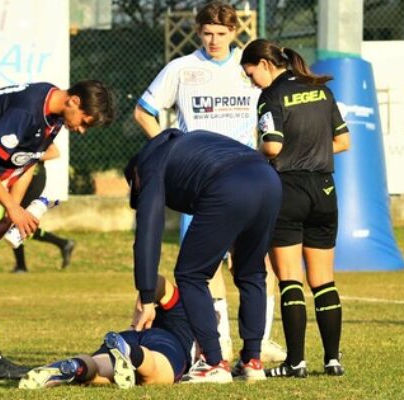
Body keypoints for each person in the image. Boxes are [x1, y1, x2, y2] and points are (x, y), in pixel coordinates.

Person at [0, 80, 115, 379]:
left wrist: (8, 216)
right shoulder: (29, 109)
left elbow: (26, 163)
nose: (80, 130)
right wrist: (14, 209)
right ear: (74, 102)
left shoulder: (53, 119)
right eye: (84, 123)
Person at [133, 1, 285, 363]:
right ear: (198, 32)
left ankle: (259, 342)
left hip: (247, 175)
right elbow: (144, 111)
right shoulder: (182, 69)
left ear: (235, 33)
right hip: (201, 184)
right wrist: (165, 151)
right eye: (207, 33)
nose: (214, 40)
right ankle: (219, 341)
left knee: (256, 266)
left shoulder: (247, 68)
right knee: (206, 268)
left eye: (221, 33)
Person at [125, 129, 282, 383]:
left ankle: (213, 362)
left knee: (190, 274)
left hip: (229, 184)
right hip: (269, 179)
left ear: (135, 177)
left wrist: (146, 296)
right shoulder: (189, 144)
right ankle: (252, 362)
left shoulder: (149, 164)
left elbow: (148, 231)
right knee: (251, 272)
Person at [240, 38, 351, 377]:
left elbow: (272, 146)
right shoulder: (320, 90)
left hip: (288, 190)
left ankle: (296, 362)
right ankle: (332, 360)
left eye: (250, 73)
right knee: (323, 281)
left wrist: (250, 155)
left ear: (264, 64)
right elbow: (343, 142)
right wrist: (311, 152)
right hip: (325, 190)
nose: (251, 81)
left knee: (290, 279)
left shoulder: (271, 95)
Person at [19, 275, 195, 389]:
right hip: (166, 343)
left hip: (127, 336)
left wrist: (136, 322)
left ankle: (77, 366)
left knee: (102, 371)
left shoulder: (186, 300)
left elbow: (153, 281)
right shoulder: (194, 309)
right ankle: (131, 354)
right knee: (154, 376)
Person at [7, 155, 75, 273]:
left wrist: (28, 154)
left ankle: (21, 266)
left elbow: (53, 151)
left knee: (17, 222)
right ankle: (63, 243)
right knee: (19, 224)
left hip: (34, 178)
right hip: (20, 177)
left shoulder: (37, 137)